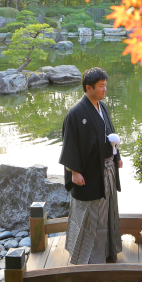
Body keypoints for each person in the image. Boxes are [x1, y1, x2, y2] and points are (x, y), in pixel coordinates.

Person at [59, 67, 123, 264]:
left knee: (107, 211)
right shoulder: (76, 113)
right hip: (88, 172)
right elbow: (70, 144)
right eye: (101, 86)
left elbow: (110, 134)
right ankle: (85, 257)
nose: (105, 89)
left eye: (105, 85)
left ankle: (106, 251)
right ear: (88, 88)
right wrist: (74, 172)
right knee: (88, 214)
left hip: (107, 168)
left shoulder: (102, 107)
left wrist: (116, 154)